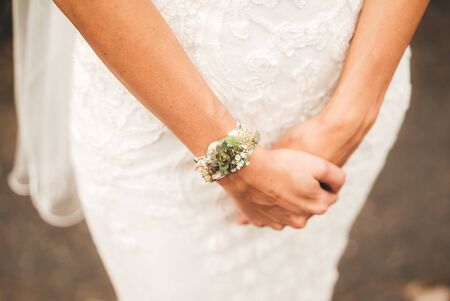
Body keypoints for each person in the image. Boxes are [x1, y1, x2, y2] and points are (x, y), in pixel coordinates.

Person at [12, 0, 429, 300]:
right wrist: (232, 160)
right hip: (158, 129)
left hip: (350, 84)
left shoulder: (349, 118)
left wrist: (351, 116)